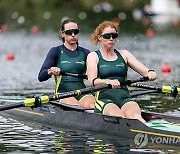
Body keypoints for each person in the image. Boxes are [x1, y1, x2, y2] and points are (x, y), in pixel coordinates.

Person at [86, 21, 156, 123]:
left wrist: (150, 72)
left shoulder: (124, 54)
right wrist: (107, 82)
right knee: (118, 116)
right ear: (100, 37)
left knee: (136, 116)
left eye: (114, 36)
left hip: (124, 98)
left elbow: (144, 70)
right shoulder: (93, 56)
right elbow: (91, 81)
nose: (111, 38)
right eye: (107, 36)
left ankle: (151, 134)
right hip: (104, 100)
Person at [38, 18, 95, 110]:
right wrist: (50, 71)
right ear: (62, 34)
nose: (73, 35)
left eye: (75, 32)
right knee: (76, 107)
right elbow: (41, 76)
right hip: (63, 94)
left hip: (82, 92)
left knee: (93, 106)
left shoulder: (86, 53)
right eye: (69, 32)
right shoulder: (55, 51)